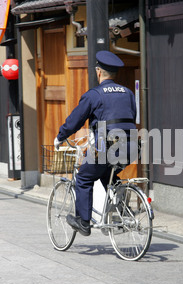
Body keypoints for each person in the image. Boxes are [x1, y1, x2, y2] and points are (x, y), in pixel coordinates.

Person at [54, 50, 137, 236]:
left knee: (84, 177)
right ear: (115, 73)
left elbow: (74, 121)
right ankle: (122, 211)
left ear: (98, 72)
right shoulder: (128, 93)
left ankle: (83, 222)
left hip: (106, 147)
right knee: (106, 174)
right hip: (131, 147)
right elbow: (131, 118)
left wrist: (60, 136)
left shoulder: (94, 95)